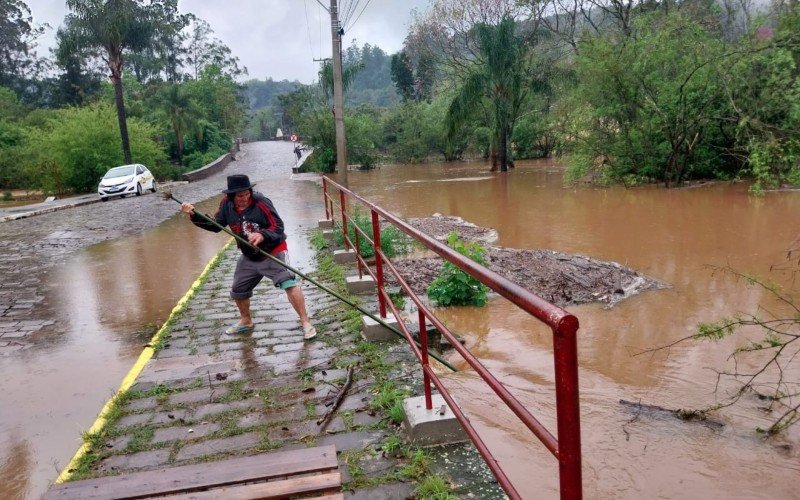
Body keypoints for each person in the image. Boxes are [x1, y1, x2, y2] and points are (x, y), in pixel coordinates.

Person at [180, 174, 316, 340]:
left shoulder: (261, 202)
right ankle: (246, 321)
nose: (244, 198)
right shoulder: (226, 204)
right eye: (240, 196)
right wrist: (194, 215)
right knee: (238, 290)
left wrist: (262, 235)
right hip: (249, 256)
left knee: (288, 283)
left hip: (273, 252)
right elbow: (215, 226)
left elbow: (278, 226)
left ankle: (306, 322)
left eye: (247, 194)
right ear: (231, 196)